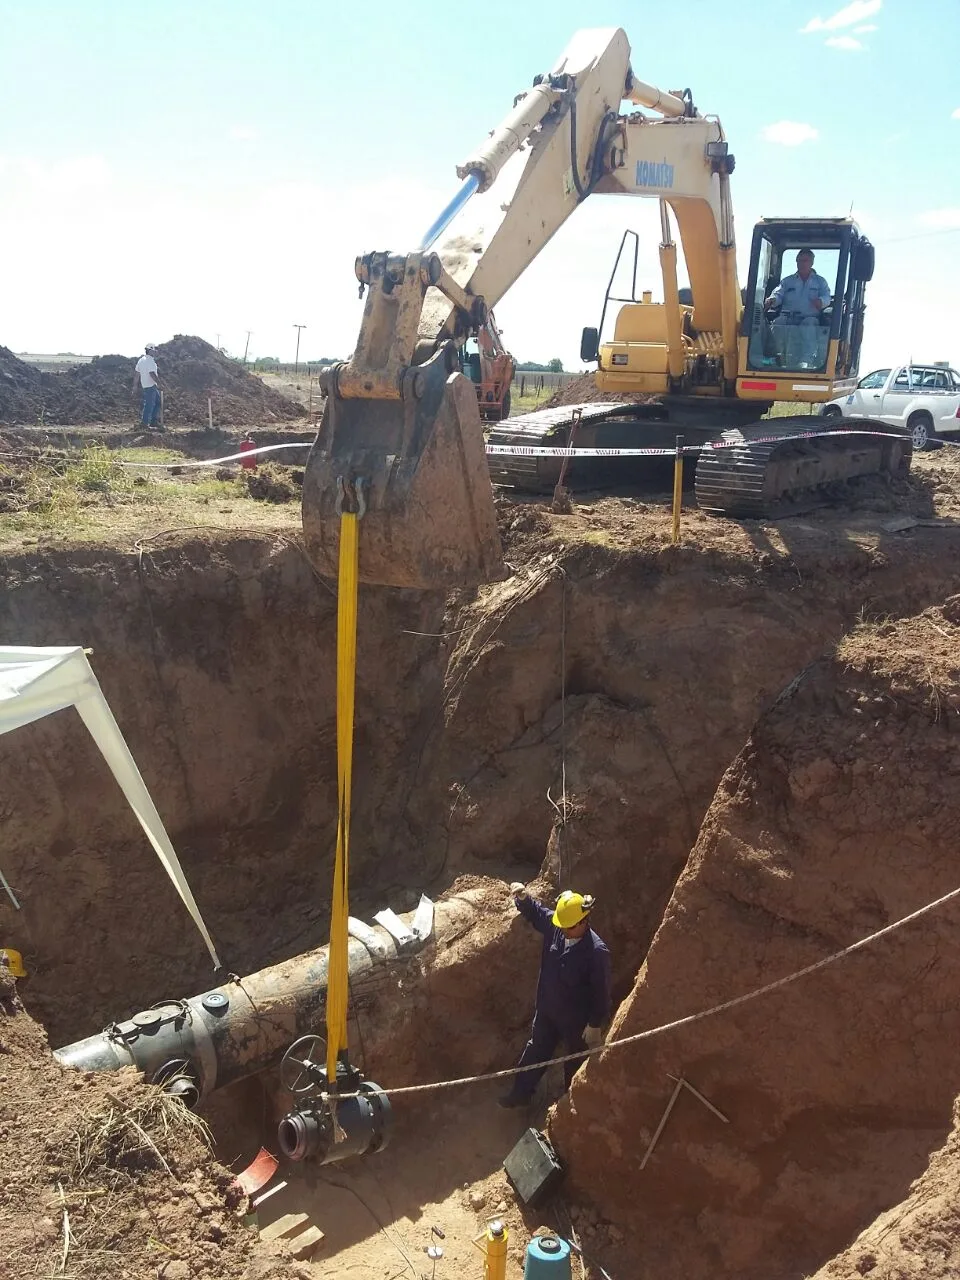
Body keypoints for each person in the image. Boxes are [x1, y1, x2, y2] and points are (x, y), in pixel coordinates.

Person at [499, 882, 611, 1109]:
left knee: (574, 1061)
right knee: (536, 1050)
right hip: (548, 1009)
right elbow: (538, 913)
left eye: (569, 927)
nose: (563, 930)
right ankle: (520, 1094)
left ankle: (568, 1105)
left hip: (575, 1021)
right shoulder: (558, 926)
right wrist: (523, 899)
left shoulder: (596, 952)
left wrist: (594, 1024)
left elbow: (601, 992)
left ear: (583, 921)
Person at [764, 249, 831, 369]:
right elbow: (778, 294)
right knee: (777, 324)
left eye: (805, 260)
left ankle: (806, 361)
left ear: (811, 262)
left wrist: (821, 302)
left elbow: (826, 297)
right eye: (799, 261)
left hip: (808, 318)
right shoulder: (787, 281)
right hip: (787, 317)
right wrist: (772, 300)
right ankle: (776, 359)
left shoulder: (820, 282)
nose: (802, 263)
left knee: (809, 327)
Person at [132, 344, 162, 429]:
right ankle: (144, 423)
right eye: (154, 350)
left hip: (146, 385)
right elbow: (152, 373)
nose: (156, 351)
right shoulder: (150, 361)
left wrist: (135, 386)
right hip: (151, 385)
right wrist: (160, 383)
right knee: (149, 404)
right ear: (150, 350)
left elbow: (137, 374)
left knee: (157, 402)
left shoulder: (141, 360)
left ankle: (153, 421)